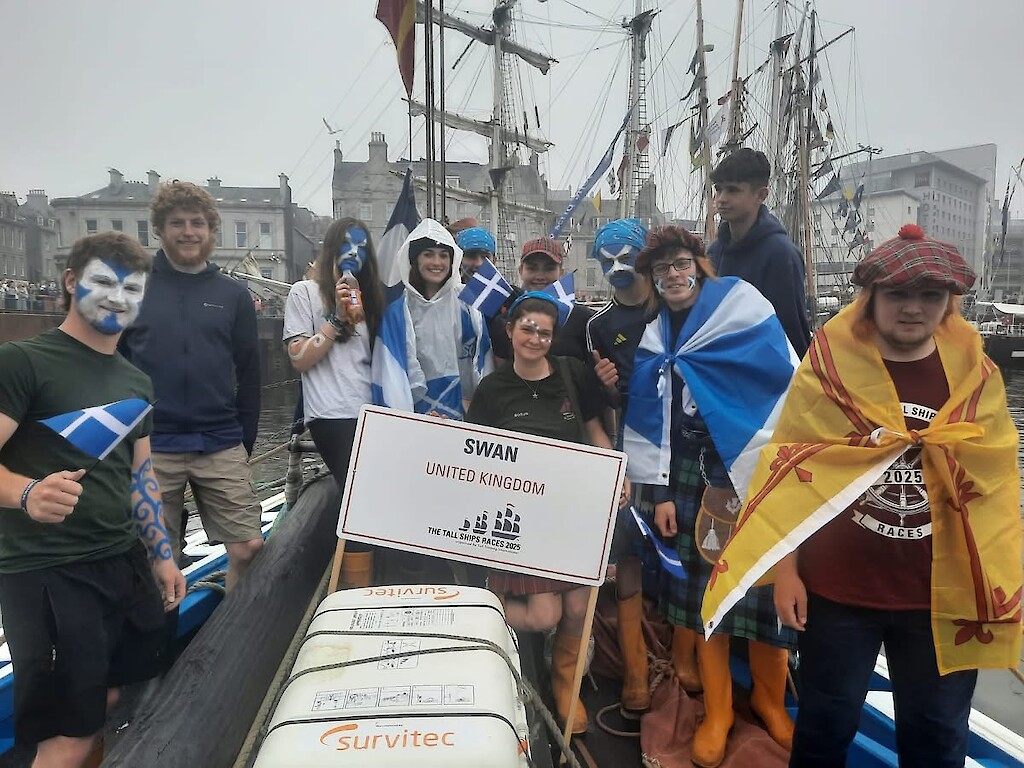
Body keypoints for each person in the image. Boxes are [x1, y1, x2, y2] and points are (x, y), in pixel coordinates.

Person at [702, 225, 1023, 768]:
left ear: (950, 303)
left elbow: (994, 488)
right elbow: (789, 473)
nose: (913, 309)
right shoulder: (827, 374)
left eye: (930, 295)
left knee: (939, 734)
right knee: (826, 725)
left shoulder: (975, 377)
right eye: (897, 294)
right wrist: (787, 572)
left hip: (938, 594)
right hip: (838, 591)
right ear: (870, 299)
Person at [0, 232, 186, 768]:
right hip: (49, 575)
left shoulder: (136, 380)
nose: (118, 297)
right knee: (69, 734)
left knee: (109, 697)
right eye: (104, 281)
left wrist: (161, 553)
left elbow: (141, 475)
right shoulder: (22, 363)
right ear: (70, 282)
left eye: (133, 287)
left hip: (122, 564)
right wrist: (26, 493)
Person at [622, 225, 798, 768]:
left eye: (680, 264)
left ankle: (770, 701)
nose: (672, 276)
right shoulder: (655, 336)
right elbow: (654, 420)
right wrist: (663, 495)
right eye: (661, 270)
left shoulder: (743, 308)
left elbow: (783, 384)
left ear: (699, 264)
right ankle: (718, 712)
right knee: (706, 601)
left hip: (756, 465)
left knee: (765, 594)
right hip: (692, 472)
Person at [466, 291, 627, 736]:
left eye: (544, 332)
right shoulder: (493, 390)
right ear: (510, 332)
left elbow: (596, 430)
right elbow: (473, 455)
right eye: (527, 329)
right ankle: (479, 607)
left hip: (572, 510)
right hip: (522, 519)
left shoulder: (572, 374)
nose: (535, 338)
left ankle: (566, 689)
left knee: (578, 608)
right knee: (544, 616)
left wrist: (615, 473)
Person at [120, 181, 263, 590]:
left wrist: (244, 440)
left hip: (219, 440)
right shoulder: (134, 289)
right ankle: (163, 640)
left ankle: (231, 631)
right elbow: (113, 366)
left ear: (211, 231)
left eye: (197, 223)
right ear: (160, 230)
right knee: (154, 555)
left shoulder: (232, 296)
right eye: (177, 223)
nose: (188, 231)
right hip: (152, 444)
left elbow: (250, 372)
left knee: (249, 546)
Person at [585, 218, 663, 715]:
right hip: (633, 445)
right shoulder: (599, 326)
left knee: (689, 551)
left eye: (625, 256)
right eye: (606, 258)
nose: (616, 267)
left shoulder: (677, 308)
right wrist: (607, 384)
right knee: (630, 552)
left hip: (686, 443)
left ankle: (692, 659)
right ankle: (636, 669)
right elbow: (606, 400)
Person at [283, 217, 384, 588]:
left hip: (372, 412)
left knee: (374, 498)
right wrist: (336, 320)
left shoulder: (371, 299)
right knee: (359, 499)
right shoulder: (304, 293)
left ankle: (373, 579)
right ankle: (355, 590)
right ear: (331, 249)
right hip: (331, 413)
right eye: (347, 245)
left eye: (361, 247)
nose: (353, 253)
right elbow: (298, 358)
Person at [708, 147, 811, 356]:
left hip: (767, 372)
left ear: (761, 195)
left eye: (733, 190)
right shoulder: (715, 252)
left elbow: (792, 332)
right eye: (718, 189)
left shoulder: (781, 255)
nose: (721, 198)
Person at [396, 218, 491, 419]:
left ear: (452, 260)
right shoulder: (400, 307)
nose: (437, 263)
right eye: (428, 255)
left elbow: (486, 356)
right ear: (415, 259)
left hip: (466, 412)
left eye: (443, 255)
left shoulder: (470, 300)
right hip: (417, 412)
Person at [489, 237, 593, 364]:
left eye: (549, 269)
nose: (539, 276)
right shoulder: (504, 322)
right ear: (521, 271)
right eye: (532, 268)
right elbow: (500, 373)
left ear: (561, 272)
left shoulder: (585, 320)